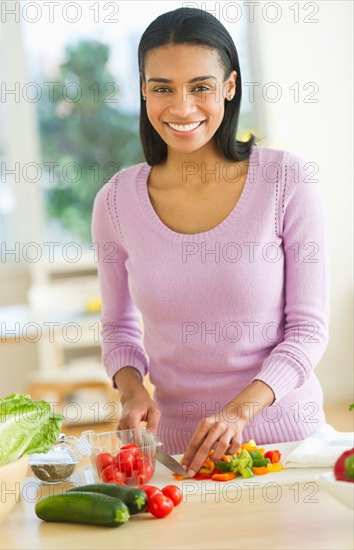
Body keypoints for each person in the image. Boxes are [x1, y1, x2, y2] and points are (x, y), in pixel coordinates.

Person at [91, 7, 329, 477]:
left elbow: (308, 330)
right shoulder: (116, 201)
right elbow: (119, 329)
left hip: (287, 446)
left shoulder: (286, 181)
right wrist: (132, 389)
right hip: (179, 456)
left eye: (200, 86)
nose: (181, 108)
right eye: (162, 88)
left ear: (230, 87)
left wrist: (238, 412)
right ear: (143, 90)